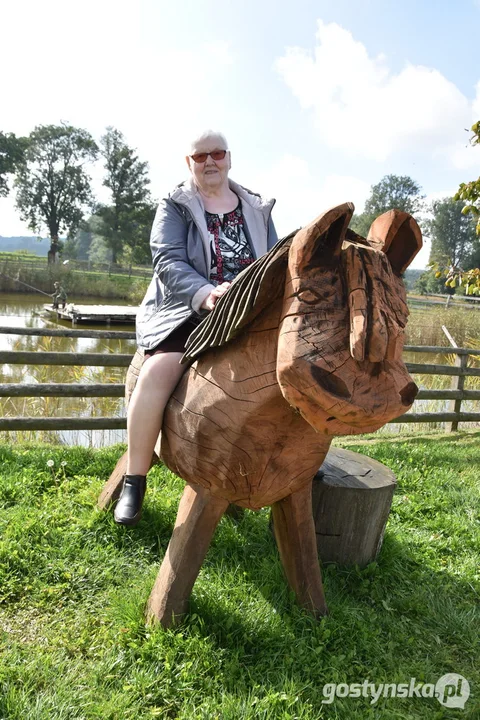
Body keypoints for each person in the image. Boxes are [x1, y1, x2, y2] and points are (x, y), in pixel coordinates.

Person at [114, 130, 277, 525]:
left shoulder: (256, 207)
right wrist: (205, 294)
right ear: (189, 163)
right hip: (189, 310)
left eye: (216, 153)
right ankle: (134, 480)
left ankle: (298, 460)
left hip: (249, 312)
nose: (209, 161)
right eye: (200, 155)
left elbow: (274, 261)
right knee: (157, 371)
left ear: (229, 158)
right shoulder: (175, 205)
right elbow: (168, 261)